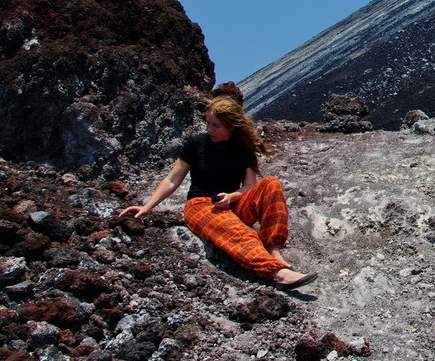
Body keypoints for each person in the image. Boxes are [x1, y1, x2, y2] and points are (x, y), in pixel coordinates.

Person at [119, 95, 317, 291]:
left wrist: (231, 197)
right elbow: (172, 179)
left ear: (231, 126)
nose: (210, 130)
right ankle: (277, 273)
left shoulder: (242, 149)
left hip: (232, 204)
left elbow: (249, 186)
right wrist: (147, 207)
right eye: (208, 124)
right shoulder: (196, 144)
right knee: (241, 232)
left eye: (216, 126)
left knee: (271, 183)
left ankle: (273, 249)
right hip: (200, 206)